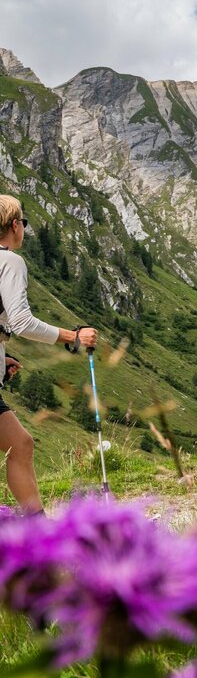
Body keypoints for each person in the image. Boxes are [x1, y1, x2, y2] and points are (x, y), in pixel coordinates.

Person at [0, 195, 98, 515]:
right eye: (23, 222)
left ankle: (37, 526)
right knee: (20, 444)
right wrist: (73, 336)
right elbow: (21, 322)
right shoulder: (9, 261)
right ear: (15, 225)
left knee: (21, 444)